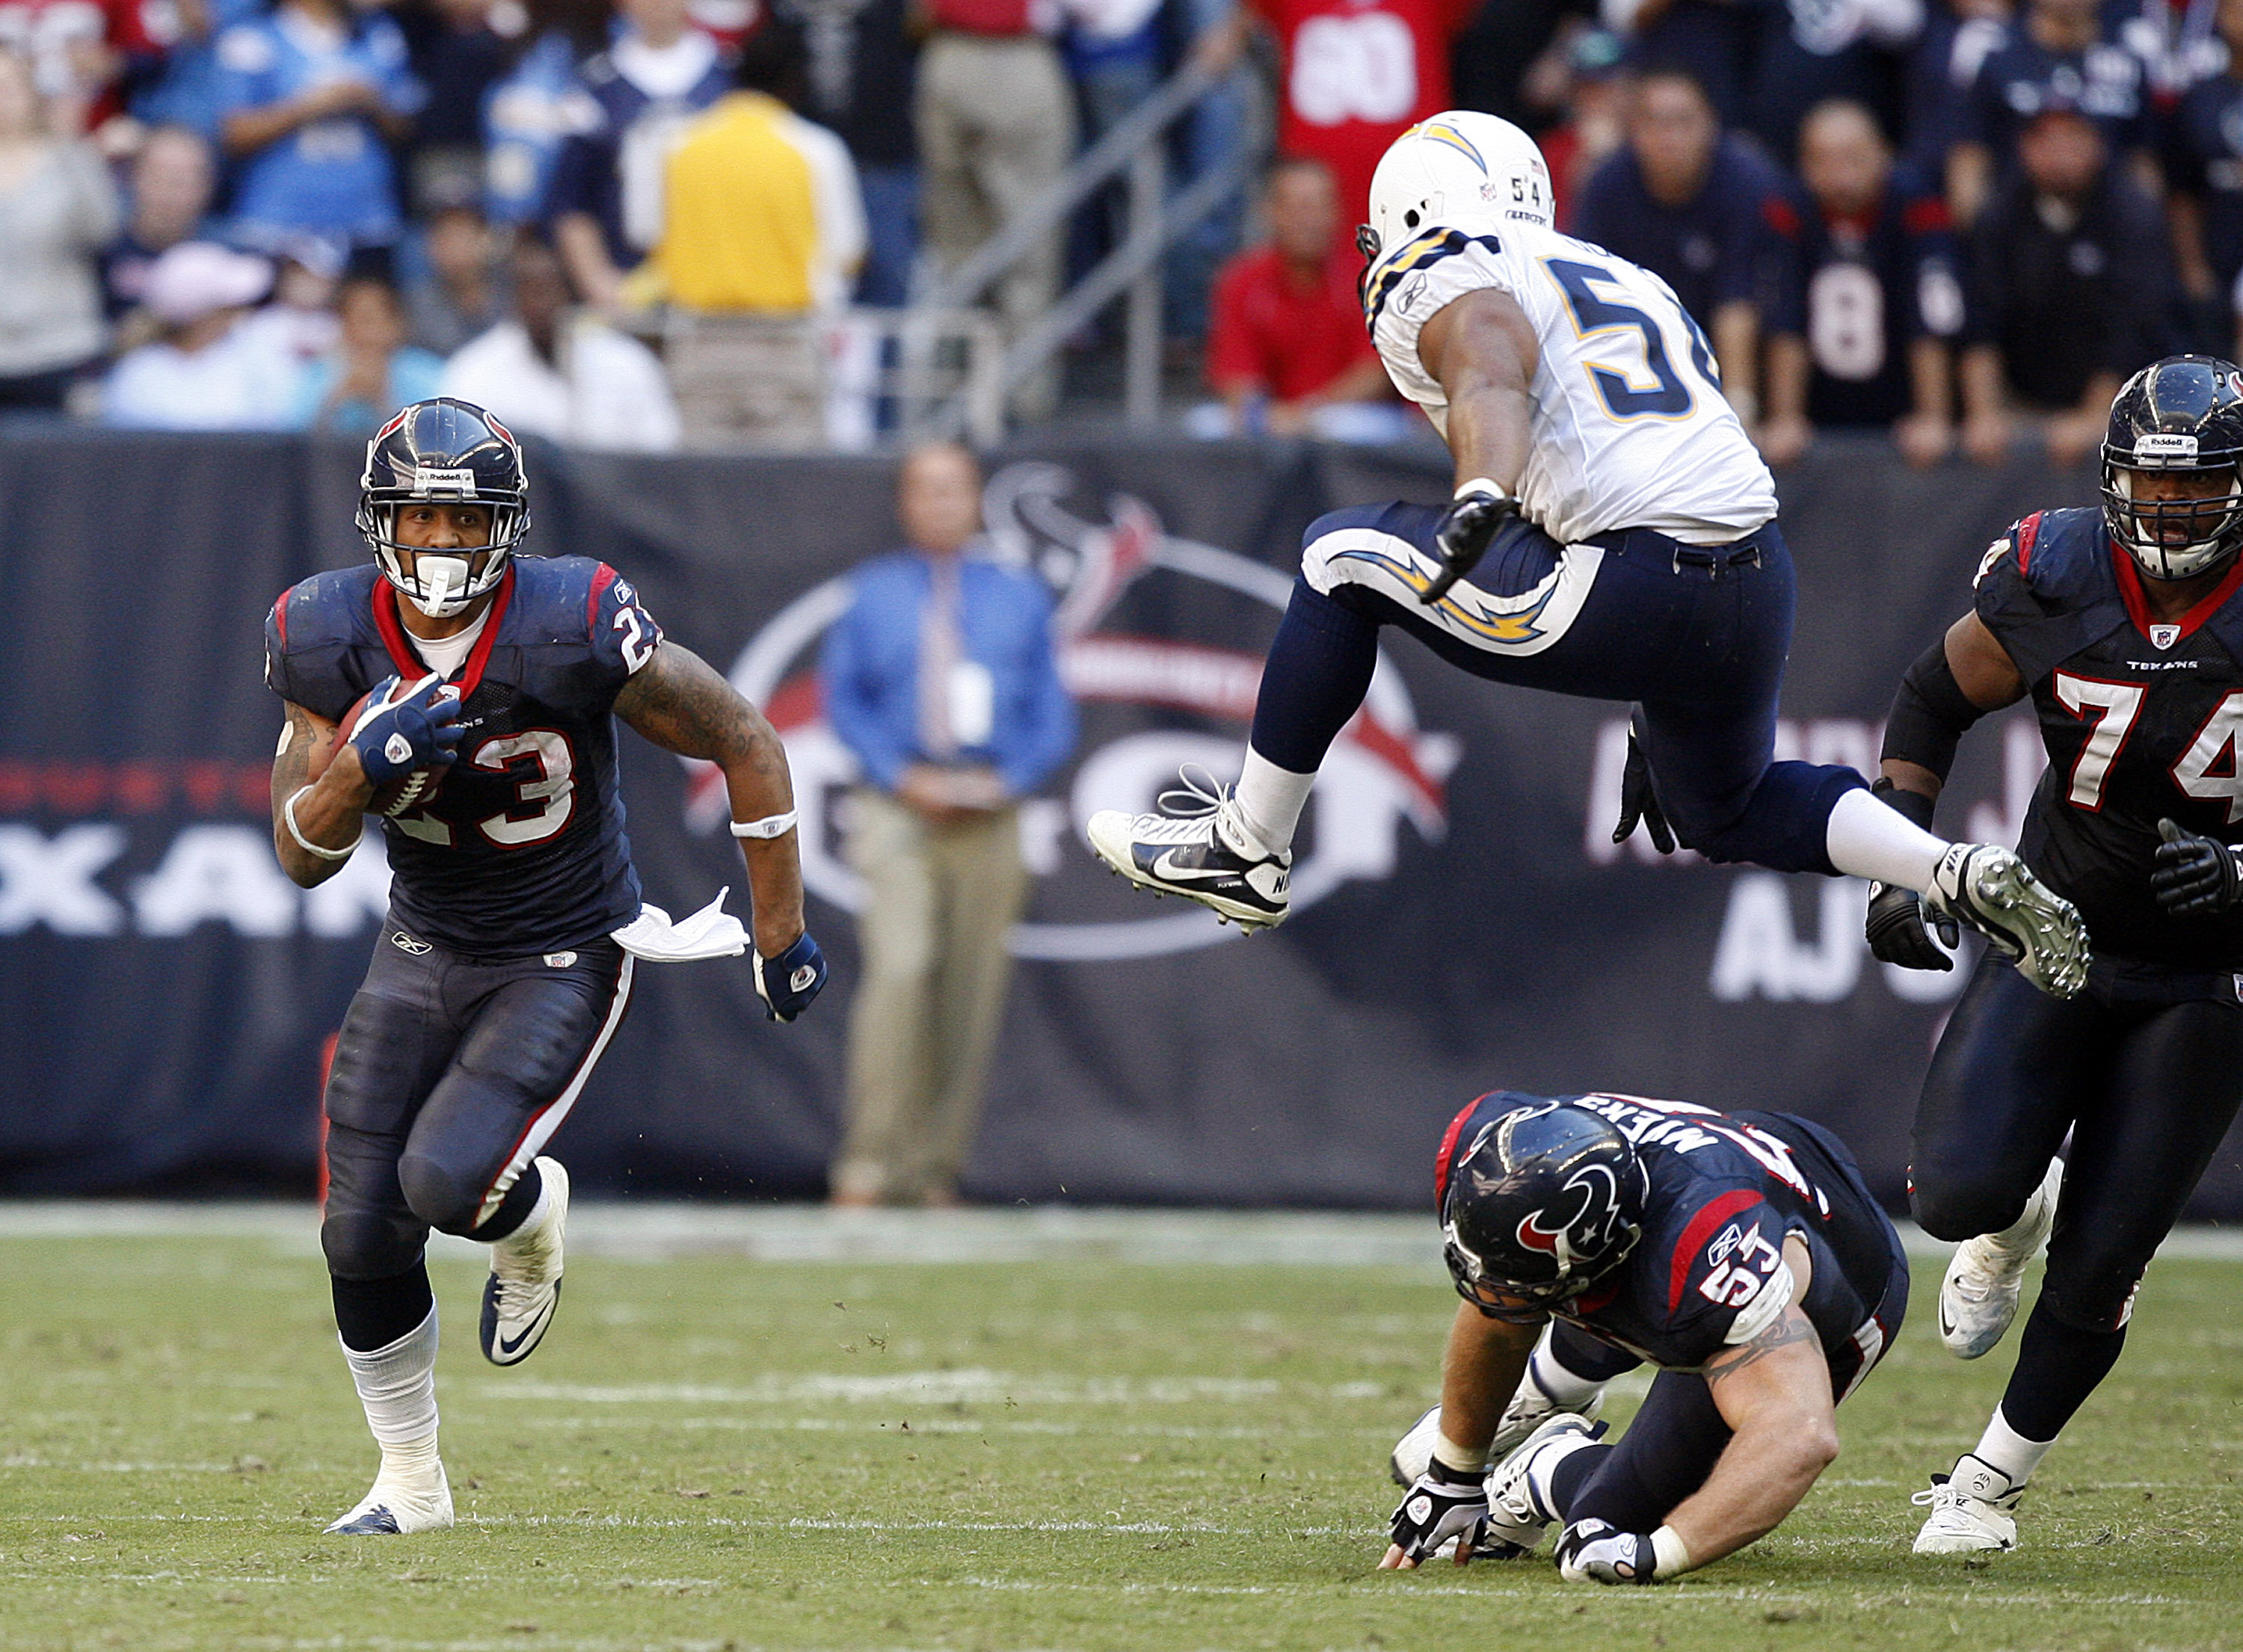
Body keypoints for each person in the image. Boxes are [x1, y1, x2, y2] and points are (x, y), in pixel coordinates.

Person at [1087, 111, 2091, 999]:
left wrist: (1482, 484)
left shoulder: (1444, 267)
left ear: (1420, 203)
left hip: (1633, 576)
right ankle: (1946, 868)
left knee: (1335, 559)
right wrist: (1657, 697)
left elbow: (1487, 352)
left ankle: (1249, 845)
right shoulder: (1624, 273)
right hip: (1754, 573)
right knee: (1725, 804)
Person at [264, 396, 828, 1535]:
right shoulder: (323, 630)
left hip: (564, 945)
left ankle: (527, 1217)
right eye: (417, 520)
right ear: (379, 523)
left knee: (445, 1183)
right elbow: (298, 853)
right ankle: (410, 1485)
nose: (437, 547)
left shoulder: (573, 619)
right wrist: (354, 770)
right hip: (424, 937)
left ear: (506, 531)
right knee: (359, 1226)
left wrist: (782, 935)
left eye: (463, 526)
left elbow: (744, 737)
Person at [1865, 356, 2243, 1553]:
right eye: (2153, 485)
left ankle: (1985, 1482)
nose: (2175, 510)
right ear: (2112, 479)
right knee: (1960, 1192)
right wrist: (1902, 858)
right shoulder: (2055, 568)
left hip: (2206, 973)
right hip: (2058, 931)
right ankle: (2012, 1212)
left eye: (2201, 490)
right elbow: (1932, 700)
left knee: (2108, 1259)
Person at [1379, 1089, 1907, 1583]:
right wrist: (1454, 1476)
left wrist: (1663, 1554)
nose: (1497, 1297)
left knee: (1602, 1536)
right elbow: (1499, 1301)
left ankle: (1540, 1470)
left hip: (1839, 1269)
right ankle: (1550, 1387)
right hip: (1723, 1178)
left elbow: (1799, 1432)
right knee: (1541, 1287)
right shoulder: (1495, 1147)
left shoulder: (1708, 1257)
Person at [819, 441, 1074, 1207]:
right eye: (925, 491)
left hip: (992, 811)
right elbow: (844, 702)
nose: (940, 504)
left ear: (976, 500)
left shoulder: (1021, 596)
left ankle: (935, 1168)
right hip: (898, 805)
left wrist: (1010, 779)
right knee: (900, 969)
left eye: (954, 490)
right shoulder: (870, 594)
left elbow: (1052, 714)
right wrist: (905, 776)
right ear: (906, 502)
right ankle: (869, 1164)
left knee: (972, 989)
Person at [643, 16, 866, 449]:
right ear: (794, 81)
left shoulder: (677, 145)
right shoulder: (815, 149)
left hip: (699, 345)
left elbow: (646, 232)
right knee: (788, 491)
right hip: (785, 344)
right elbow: (847, 251)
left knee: (701, 492)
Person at [1571, 67, 1792, 424]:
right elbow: (1586, 300)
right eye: (1655, 123)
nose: (1669, 137)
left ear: (1711, 125)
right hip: (1633, 358)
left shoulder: (1748, 182)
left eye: (1682, 121)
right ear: (1634, 130)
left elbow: (1738, 302)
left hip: (1736, 354)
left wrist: (1739, 409)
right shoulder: (1605, 186)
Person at [1958, 101, 2170, 466]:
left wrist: (2093, 416)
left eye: (2073, 141)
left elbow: (2132, 325)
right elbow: (1980, 317)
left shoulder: (2132, 215)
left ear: (2099, 146)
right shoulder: (1999, 215)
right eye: (2046, 142)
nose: (2060, 156)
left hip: (2127, 406)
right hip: (2023, 399)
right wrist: (1984, 413)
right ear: (2025, 148)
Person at [1761, 98, 1966, 467]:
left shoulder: (1916, 207)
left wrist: (1933, 414)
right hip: (1820, 405)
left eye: (1853, 158)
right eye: (1823, 161)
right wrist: (1785, 417)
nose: (1840, 177)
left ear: (1883, 154)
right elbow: (1785, 319)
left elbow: (1930, 318)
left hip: (1898, 400)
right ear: (1803, 166)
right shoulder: (1789, 212)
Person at [913, 0, 1074, 419]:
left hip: (953, 56)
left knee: (964, 251)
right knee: (1015, 251)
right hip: (1009, 59)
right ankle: (1018, 399)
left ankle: (959, 396)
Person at [547, 0, 731, 314]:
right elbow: (572, 202)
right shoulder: (597, 87)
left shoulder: (729, 78)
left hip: (722, 287)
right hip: (628, 277)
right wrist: (598, 282)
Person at [215, 0, 425, 255]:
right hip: (277, 221)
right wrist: (308, 107)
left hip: (366, 217)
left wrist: (371, 103)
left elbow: (407, 127)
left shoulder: (379, 34)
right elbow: (233, 134)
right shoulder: (252, 36)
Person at [1202, 155, 1391, 438]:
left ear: (1339, 211)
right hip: (1273, 416)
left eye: (1321, 206)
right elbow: (1236, 373)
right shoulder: (1241, 280)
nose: (1311, 220)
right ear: (1270, 212)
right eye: (1299, 208)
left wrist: (1305, 414)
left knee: (1354, 427)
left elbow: (1375, 375)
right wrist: (1263, 414)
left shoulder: (1372, 277)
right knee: (1205, 425)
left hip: (1349, 415)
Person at [441, 235, 681, 451]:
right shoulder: (472, 372)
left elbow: (660, 456)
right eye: (531, 290)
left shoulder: (628, 363)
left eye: (550, 288)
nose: (542, 304)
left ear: (571, 291)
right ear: (512, 297)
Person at [0, 45, 120, 410]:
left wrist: (72, 144)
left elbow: (102, 230)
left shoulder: (67, 157)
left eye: (9, 88)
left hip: (59, 347)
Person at [102, 238, 298, 428]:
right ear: (203, 317)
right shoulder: (139, 374)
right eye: (229, 307)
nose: (241, 313)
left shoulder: (257, 354)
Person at [291, 273, 445, 434]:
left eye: (380, 320)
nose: (372, 333)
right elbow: (293, 440)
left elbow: (437, 439)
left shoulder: (426, 372)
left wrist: (382, 400)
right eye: (361, 321)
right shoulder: (319, 373)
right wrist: (337, 399)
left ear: (398, 324)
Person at [101, 124, 217, 319]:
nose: (169, 191)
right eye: (158, 176)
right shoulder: (99, 245)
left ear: (208, 186)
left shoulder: (225, 256)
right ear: (132, 177)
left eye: (183, 180)